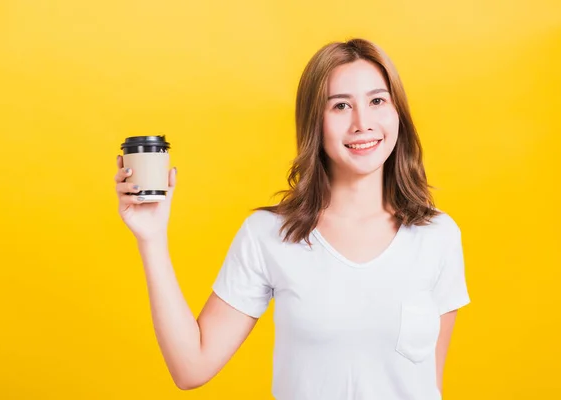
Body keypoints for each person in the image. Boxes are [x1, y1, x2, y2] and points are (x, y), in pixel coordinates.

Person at [114, 38, 470, 400]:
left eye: (377, 101)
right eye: (341, 106)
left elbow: (429, 384)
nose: (363, 123)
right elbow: (191, 368)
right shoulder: (270, 235)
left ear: (398, 114)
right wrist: (152, 238)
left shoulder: (438, 235)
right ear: (315, 121)